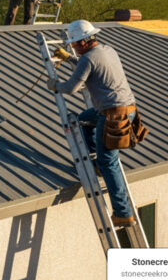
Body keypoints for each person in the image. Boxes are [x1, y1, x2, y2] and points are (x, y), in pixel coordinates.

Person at [47, 19, 137, 227]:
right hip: (126, 109)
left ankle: (123, 213)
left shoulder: (87, 59)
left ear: (84, 42)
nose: (74, 48)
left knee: (110, 162)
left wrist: (55, 86)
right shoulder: (107, 50)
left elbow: (71, 87)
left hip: (113, 115)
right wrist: (69, 58)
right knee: (82, 120)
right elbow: (89, 65)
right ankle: (96, 163)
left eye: (75, 45)